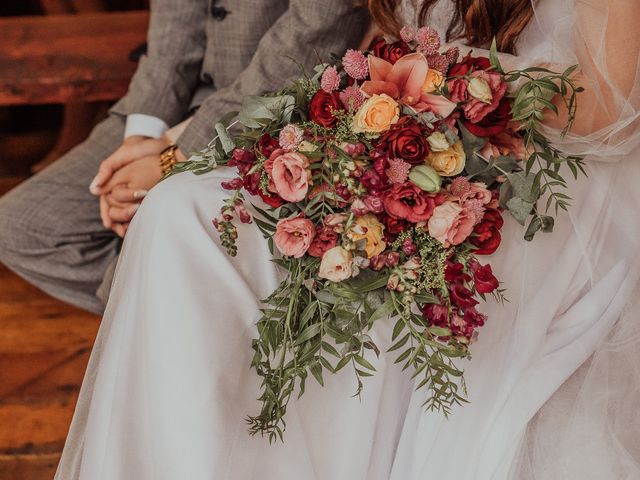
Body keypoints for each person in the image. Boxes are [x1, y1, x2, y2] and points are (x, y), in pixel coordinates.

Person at [57, 0, 640, 478]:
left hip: (543, 174)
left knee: (358, 275)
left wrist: (453, 89)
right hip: (417, 139)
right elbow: (365, 47)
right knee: (178, 210)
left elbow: (607, 109)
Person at [0, 0, 368, 314]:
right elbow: (173, 33)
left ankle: (160, 305)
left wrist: (176, 155)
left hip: (289, 111)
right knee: (23, 227)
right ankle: (184, 309)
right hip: (184, 103)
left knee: (144, 269)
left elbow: (313, 32)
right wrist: (139, 138)